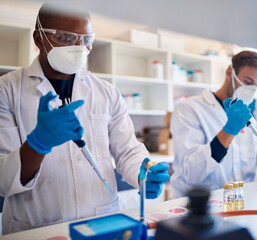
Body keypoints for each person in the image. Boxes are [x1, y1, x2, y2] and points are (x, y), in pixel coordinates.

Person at [0, 3, 169, 234]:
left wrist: (144, 172)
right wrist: (37, 144)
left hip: (102, 221)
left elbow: (128, 150)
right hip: (37, 227)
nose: (79, 47)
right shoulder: (6, 90)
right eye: (66, 38)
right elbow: (3, 180)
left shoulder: (107, 92)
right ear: (39, 39)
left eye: (85, 39)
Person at [170, 50, 257, 198]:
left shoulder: (248, 118)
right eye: (248, 82)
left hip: (239, 201)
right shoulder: (189, 109)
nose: (251, 90)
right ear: (230, 72)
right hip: (198, 205)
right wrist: (229, 131)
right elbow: (190, 172)